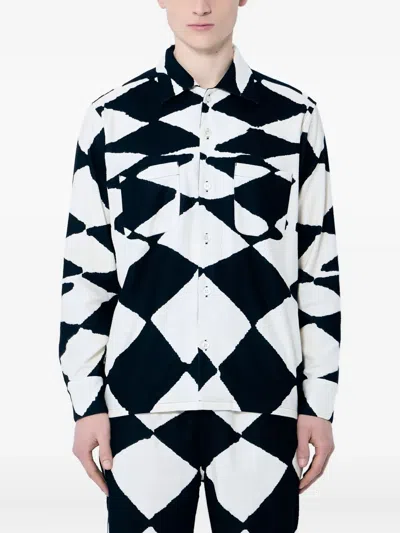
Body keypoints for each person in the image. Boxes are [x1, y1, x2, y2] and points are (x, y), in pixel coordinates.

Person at [58, 1, 341, 531]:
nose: (202, 4)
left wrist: (319, 403)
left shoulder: (296, 117)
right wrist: (86, 402)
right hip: (140, 404)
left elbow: (318, 268)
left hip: (263, 400)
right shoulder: (110, 119)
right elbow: (87, 272)